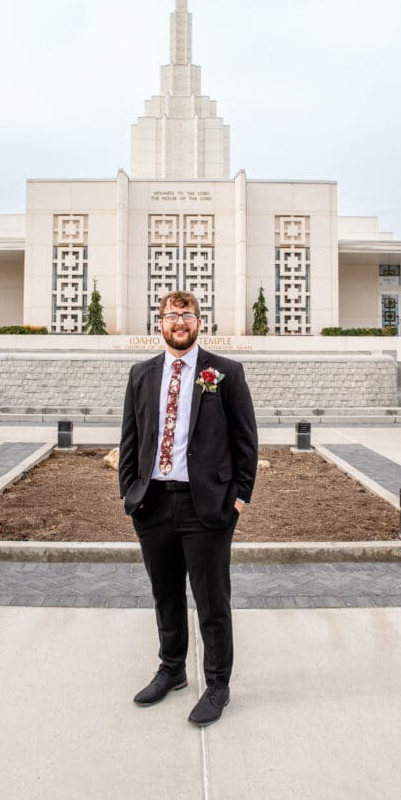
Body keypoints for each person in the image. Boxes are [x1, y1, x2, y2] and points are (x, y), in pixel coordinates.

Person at [119, 290, 258, 727]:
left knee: (212, 600)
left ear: (201, 322)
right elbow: (130, 441)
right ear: (158, 322)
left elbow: (246, 441)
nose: (180, 321)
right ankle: (172, 669)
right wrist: (130, 493)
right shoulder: (141, 375)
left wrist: (238, 498)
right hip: (153, 504)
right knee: (166, 595)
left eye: (188, 314)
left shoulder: (225, 373)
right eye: (171, 315)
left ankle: (217, 684)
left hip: (208, 508)